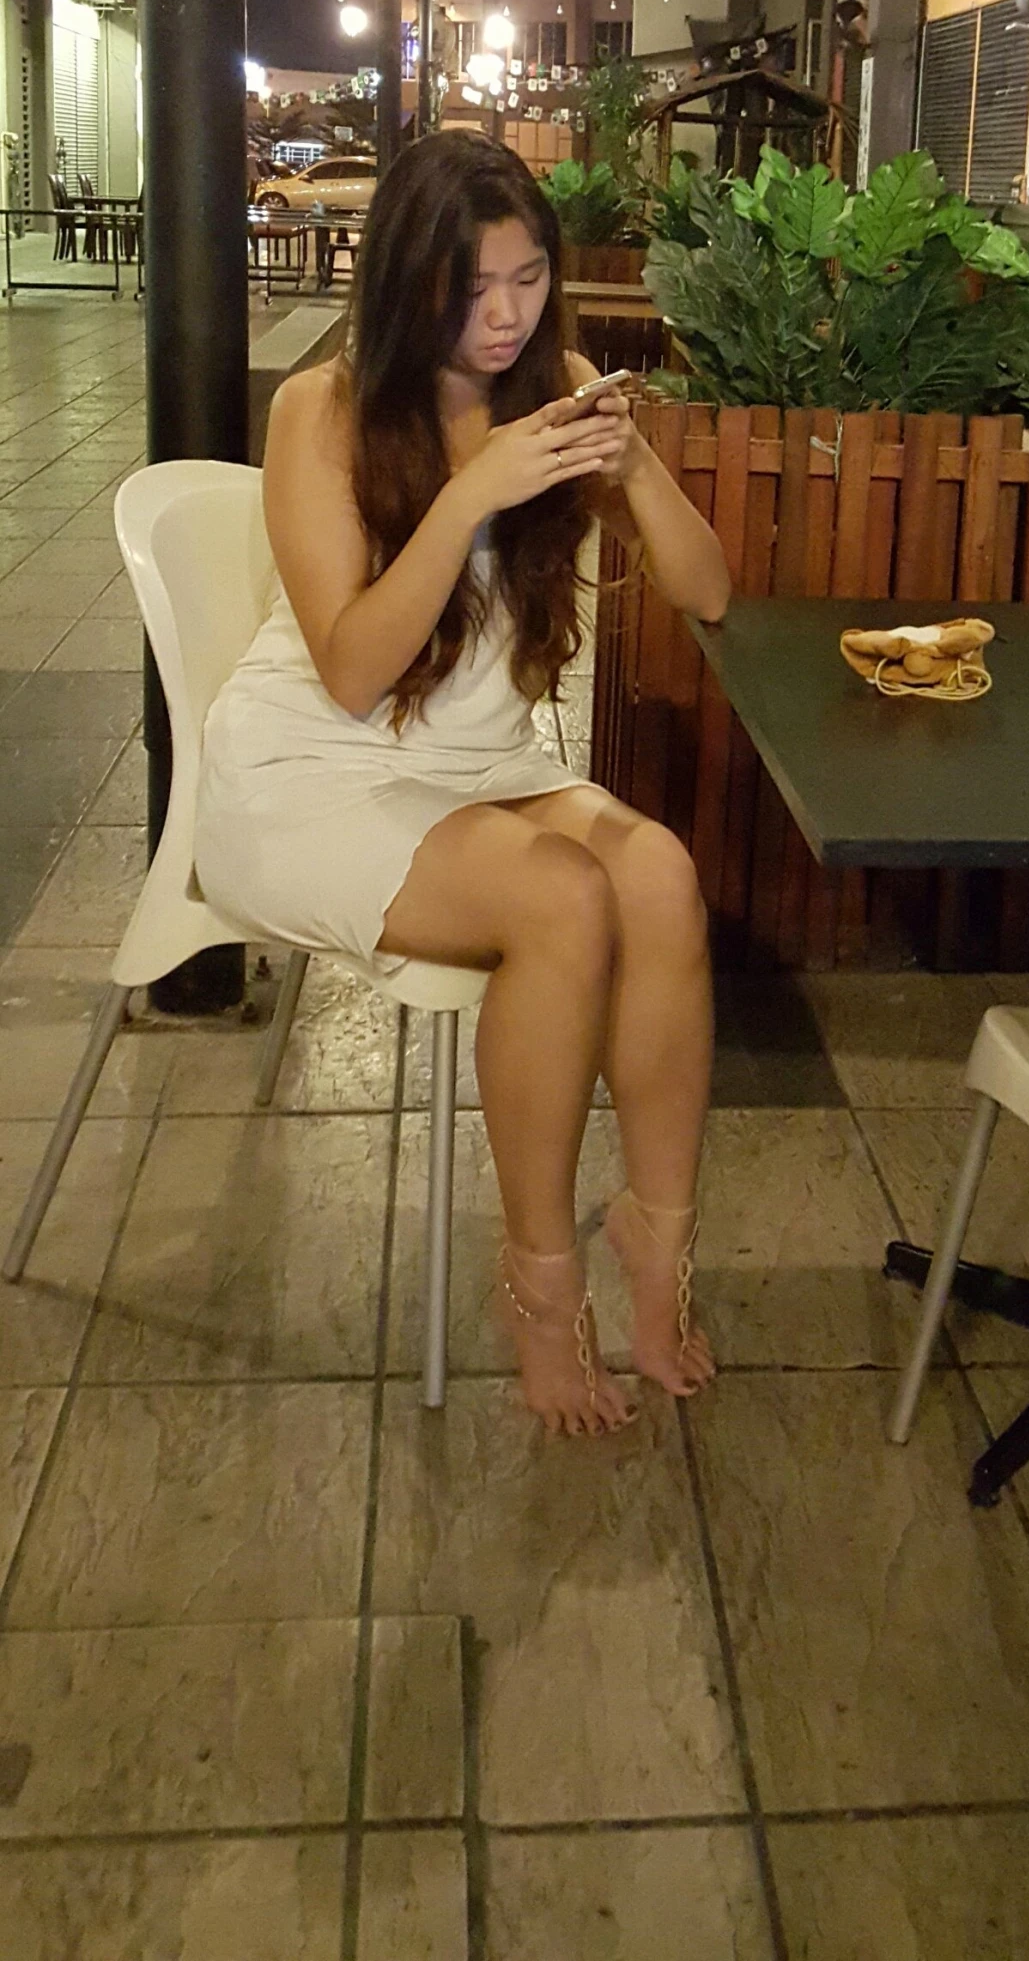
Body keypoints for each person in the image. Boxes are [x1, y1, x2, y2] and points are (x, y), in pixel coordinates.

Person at [195, 130, 731, 1437]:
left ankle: (657, 1250)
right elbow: (351, 673)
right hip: (315, 771)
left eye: (530, 281)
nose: (504, 319)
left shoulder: (554, 387)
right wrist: (466, 496)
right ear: (403, 280)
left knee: (656, 872)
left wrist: (637, 462)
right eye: (472, 287)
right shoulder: (320, 411)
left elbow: (711, 593)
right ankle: (542, 1289)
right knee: (563, 902)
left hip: (475, 769)